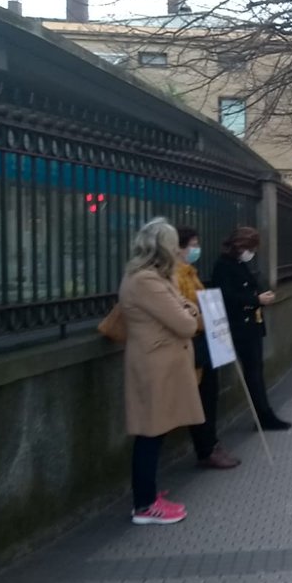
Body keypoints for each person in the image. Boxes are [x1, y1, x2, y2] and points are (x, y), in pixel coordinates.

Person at [120, 218, 204, 524]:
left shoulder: (156, 278)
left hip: (161, 364)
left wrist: (187, 310)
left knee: (156, 432)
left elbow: (188, 309)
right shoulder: (146, 281)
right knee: (150, 433)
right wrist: (188, 311)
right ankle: (144, 505)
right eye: (174, 245)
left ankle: (148, 493)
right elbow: (186, 323)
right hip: (154, 366)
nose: (181, 251)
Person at [211, 227, 292, 431]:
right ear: (240, 246)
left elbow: (250, 286)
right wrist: (255, 299)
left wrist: (261, 296)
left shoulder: (240, 264)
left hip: (251, 325)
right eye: (251, 248)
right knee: (253, 373)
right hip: (239, 326)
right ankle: (263, 415)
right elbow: (227, 296)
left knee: (256, 371)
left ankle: (264, 413)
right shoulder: (223, 266)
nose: (252, 253)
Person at [176, 226, 240, 470]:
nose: (196, 249)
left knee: (209, 397)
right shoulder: (176, 277)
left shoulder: (191, 273)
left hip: (205, 343)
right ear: (179, 248)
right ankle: (206, 448)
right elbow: (185, 313)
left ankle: (210, 444)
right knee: (201, 400)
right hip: (192, 345)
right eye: (192, 244)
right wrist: (206, 320)